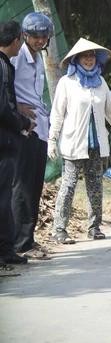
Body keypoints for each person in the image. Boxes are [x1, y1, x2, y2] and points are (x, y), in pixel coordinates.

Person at [48, 39, 111, 243]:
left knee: (95, 186)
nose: (89, 59)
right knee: (68, 186)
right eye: (85, 56)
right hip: (73, 144)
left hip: (96, 144)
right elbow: (57, 114)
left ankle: (94, 227)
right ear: (76, 59)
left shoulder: (100, 82)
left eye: (92, 56)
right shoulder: (67, 83)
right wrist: (52, 139)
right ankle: (59, 229)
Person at [11, 12, 52, 260]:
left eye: (43, 36)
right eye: (35, 36)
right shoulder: (15, 58)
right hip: (22, 128)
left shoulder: (38, 58)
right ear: (25, 36)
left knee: (35, 185)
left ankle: (29, 238)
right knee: (22, 186)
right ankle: (20, 242)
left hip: (40, 127)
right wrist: (16, 107)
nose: (40, 40)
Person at [0, 21, 34, 265]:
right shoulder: (2, 66)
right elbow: (3, 107)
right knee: (4, 197)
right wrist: (23, 122)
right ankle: (5, 250)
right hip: (4, 142)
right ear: (15, 42)